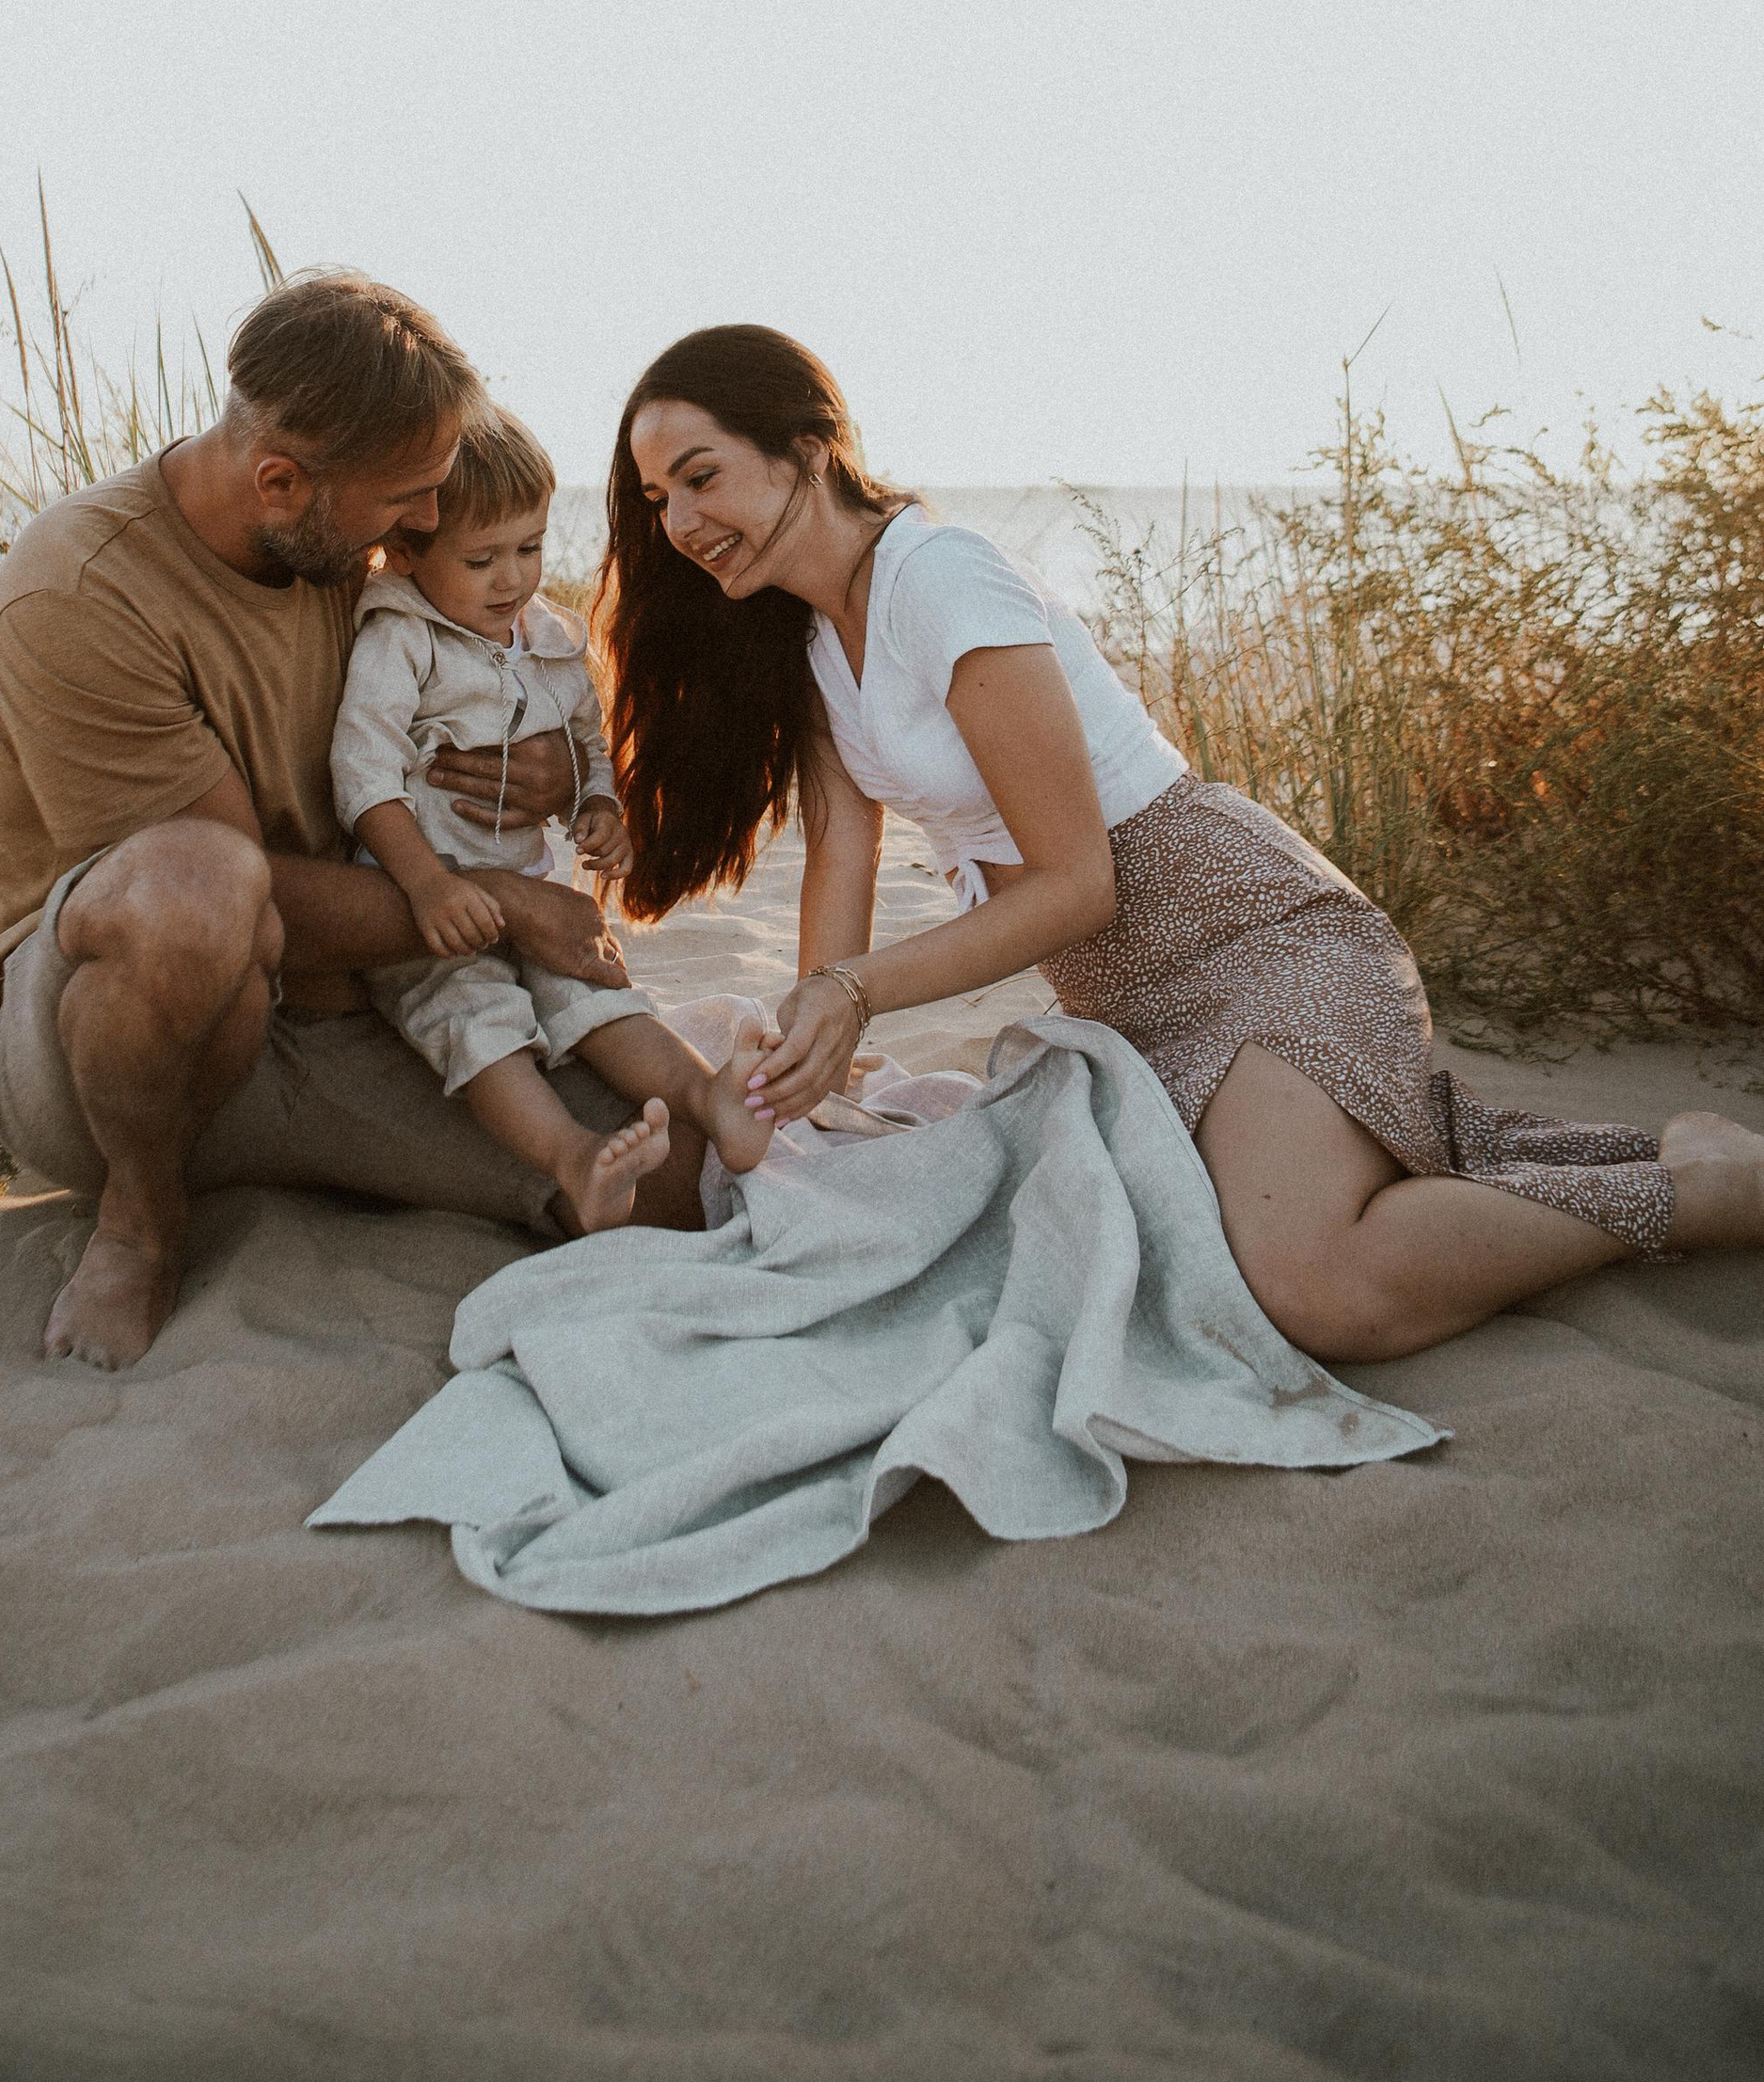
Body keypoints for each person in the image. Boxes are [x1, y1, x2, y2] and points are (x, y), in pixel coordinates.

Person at [601, 324, 1764, 1365]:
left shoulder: (939, 576)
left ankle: (1701, 1197)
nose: (682, 523)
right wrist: (812, 1048)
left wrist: (855, 995)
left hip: (1251, 936)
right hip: (1127, 1003)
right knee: (1235, 1235)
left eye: (699, 476)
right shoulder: (808, 647)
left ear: (805, 445)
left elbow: (1077, 885)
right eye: (658, 498)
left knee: (1316, 1287)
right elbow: (842, 864)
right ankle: (1643, 1153)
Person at [0, 270, 707, 1374]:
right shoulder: (78, 591)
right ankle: (140, 1218)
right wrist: (504, 907)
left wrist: (542, 771)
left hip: (357, 1006)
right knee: (198, 889)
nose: (424, 523)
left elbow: (487, 675)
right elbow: (257, 903)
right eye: (406, 497)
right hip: (118, 1043)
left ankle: (291, 1169)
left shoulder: (360, 556)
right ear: (279, 480)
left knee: (670, 1181)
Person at [333, 403, 773, 1232]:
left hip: (535, 888)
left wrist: (598, 802)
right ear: (404, 551)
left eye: (529, 548)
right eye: (481, 559)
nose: (512, 579)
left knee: (600, 997)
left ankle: (706, 1095)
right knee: (478, 1022)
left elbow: (586, 738)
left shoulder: (549, 639)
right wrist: (425, 884)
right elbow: (362, 772)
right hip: (436, 908)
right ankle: (571, 1158)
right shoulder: (403, 639)